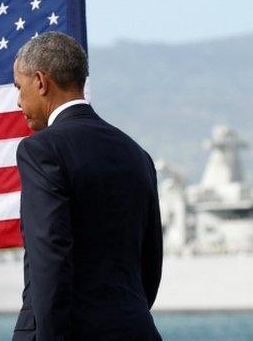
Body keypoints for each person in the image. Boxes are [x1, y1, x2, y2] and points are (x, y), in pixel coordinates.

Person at [11, 32, 163, 341]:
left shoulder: (42, 150)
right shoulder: (137, 155)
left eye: (19, 86)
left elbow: (50, 256)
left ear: (40, 81)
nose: (18, 101)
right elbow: (151, 262)